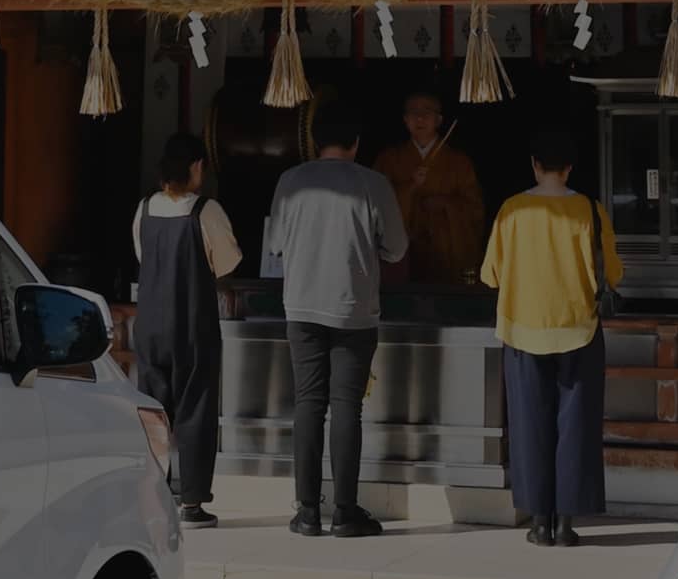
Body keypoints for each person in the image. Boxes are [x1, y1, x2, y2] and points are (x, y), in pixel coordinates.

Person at [264, 97, 407, 540]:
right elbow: (397, 247)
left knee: (308, 404)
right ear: (356, 143)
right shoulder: (374, 183)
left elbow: (273, 245)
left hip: (301, 307)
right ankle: (345, 512)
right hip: (354, 311)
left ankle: (307, 512)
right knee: (347, 406)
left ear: (314, 140)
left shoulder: (290, 181)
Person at [479, 123, 623, 547]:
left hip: (523, 331)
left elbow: (491, 274)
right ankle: (566, 524)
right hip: (579, 329)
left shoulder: (512, 210)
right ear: (571, 167)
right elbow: (612, 272)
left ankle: (538, 522)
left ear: (535, 164)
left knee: (529, 426)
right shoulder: (591, 211)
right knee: (576, 426)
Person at [131, 132, 242, 527]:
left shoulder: (145, 209)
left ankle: (151, 494)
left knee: (153, 411)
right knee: (195, 407)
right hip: (192, 324)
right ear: (196, 167)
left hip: (150, 326)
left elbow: (142, 255)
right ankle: (192, 502)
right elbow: (227, 262)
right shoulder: (205, 211)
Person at [371, 91, 485, 286]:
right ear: (405, 120)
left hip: (446, 251)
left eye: (427, 112)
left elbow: (475, 211)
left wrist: (447, 203)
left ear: (439, 120)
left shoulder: (459, 162)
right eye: (413, 112)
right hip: (404, 253)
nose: (420, 118)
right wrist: (409, 187)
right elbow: (374, 208)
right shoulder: (388, 159)